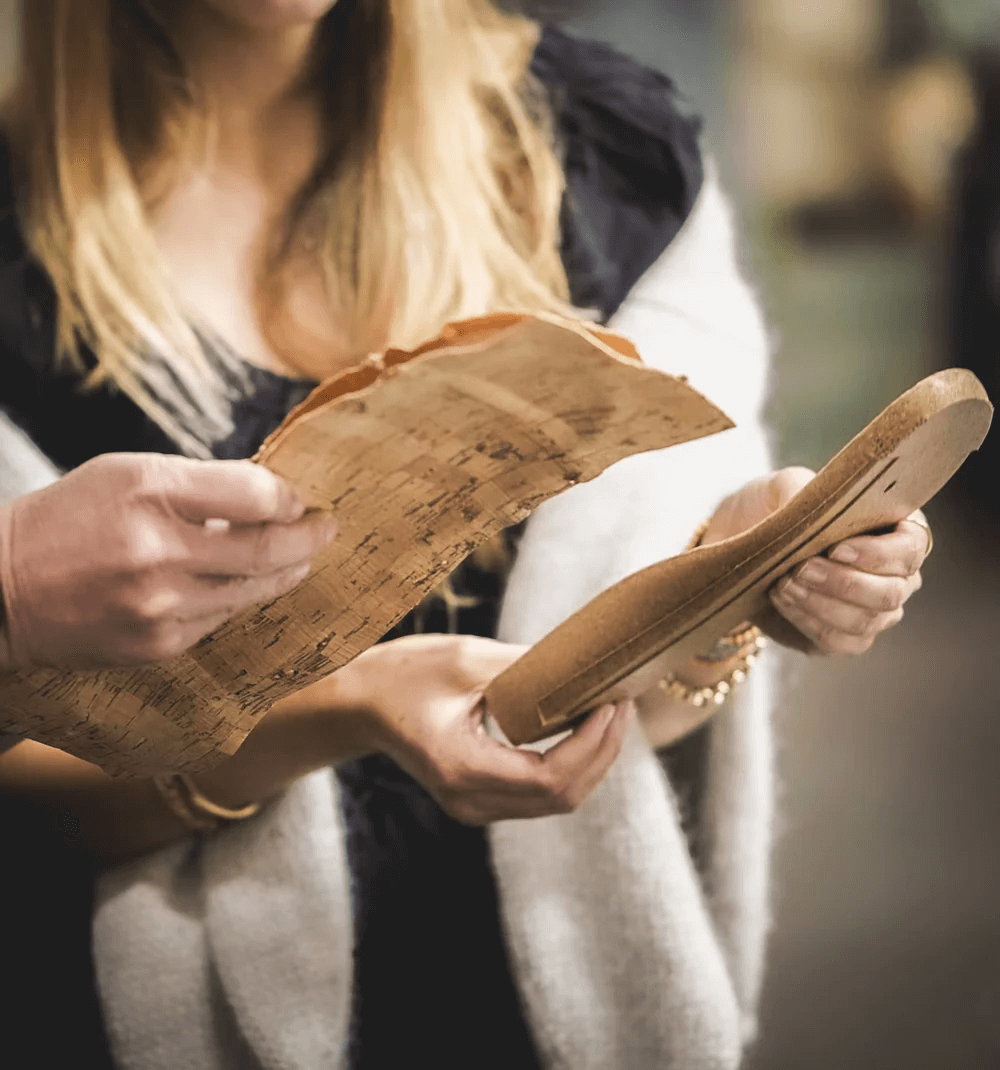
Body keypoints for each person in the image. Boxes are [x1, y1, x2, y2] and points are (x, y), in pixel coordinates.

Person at [0, 2, 932, 1068]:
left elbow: (623, 708)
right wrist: (344, 708)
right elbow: (25, 799)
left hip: (540, 984)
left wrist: (736, 579)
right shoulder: (17, 227)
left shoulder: (600, 153)